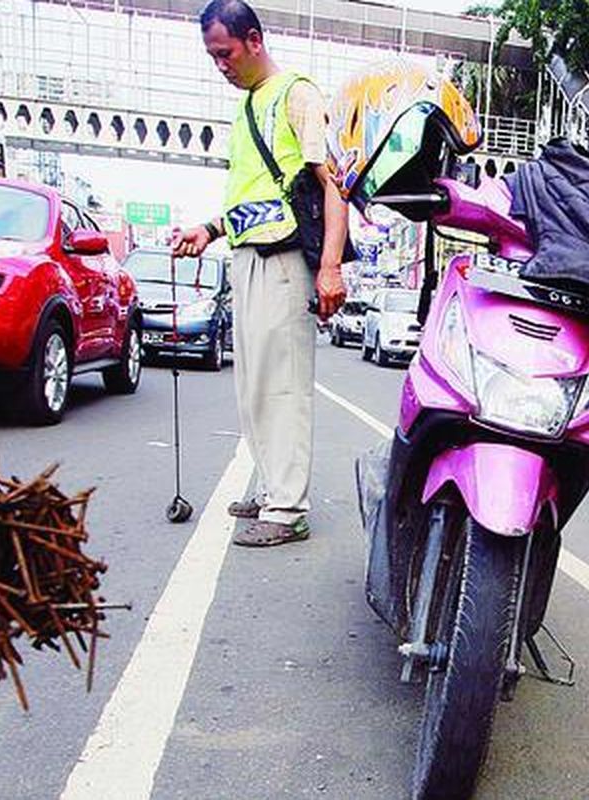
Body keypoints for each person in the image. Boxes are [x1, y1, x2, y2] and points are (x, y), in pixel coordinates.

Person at [172, 0, 348, 547]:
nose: (219, 65)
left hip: (285, 262)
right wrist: (210, 228)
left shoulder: (296, 94)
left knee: (283, 385)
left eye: (224, 53)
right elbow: (259, 195)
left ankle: (289, 507)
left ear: (254, 40)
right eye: (212, 56)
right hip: (247, 256)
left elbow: (333, 185)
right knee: (252, 386)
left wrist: (330, 268)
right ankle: (271, 485)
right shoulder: (248, 106)